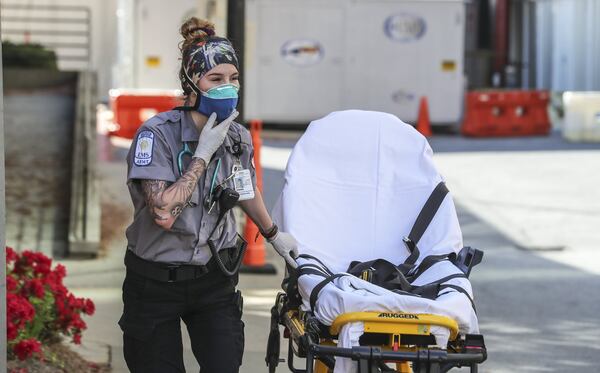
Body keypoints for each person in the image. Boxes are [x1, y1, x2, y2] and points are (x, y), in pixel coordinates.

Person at [118, 17, 298, 373]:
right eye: (215, 79)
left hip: (214, 277)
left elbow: (245, 187)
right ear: (191, 83)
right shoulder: (156, 136)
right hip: (155, 280)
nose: (227, 88)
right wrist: (202, 153)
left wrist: (275, 235)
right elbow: (163, 213)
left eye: (233, 79)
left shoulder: (237, 137)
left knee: (224, 364)